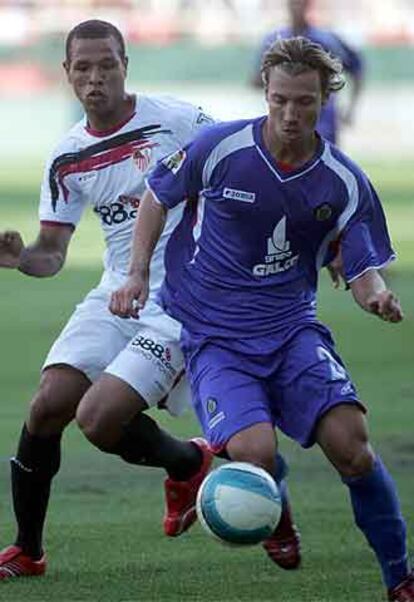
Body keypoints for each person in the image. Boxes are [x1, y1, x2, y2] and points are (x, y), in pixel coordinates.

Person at [110, 37, 413, 601]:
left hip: (292, 330)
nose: (291, 114)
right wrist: (135, 273)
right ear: (266, 94)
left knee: (353, 444)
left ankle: (400, 577)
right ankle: (277, 516)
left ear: (325, 99)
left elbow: (359, 259)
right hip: (216, 336)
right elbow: (157, 196)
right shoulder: (219, 147)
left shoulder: (343, 180)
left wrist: (373, 294)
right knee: (253, 452)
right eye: (280, 101)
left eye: (305, 102)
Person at [0, 19, 298, 581]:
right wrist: (19, 258)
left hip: (185, 299)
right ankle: (28, 550)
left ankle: (205, 470)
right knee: (48, 403)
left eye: (106, 65)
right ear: (66, 74)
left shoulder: (179, 120)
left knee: (98, 419)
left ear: (125, 65)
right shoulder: (66, 157)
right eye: (83, 68)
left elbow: (246, 163)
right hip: (116, 291)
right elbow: (51, 253)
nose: (95, 78)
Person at [251, 0, 364, 145]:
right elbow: (256, 79)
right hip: (284, 121)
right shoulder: (273, 40)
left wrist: (351, 108)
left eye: (300, 3)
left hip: (323, 121)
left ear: (307, 5)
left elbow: (356, 68)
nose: (296, 7)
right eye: (293, 3)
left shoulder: (327, 40)